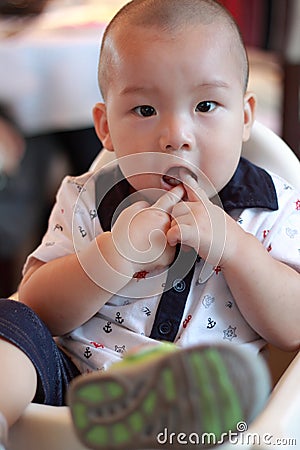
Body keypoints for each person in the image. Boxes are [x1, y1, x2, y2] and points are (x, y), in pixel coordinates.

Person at [0, 0, 300, 448]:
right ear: (105, 127)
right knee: (11, 325)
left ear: (244, 117)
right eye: (144, 110)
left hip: (204, 401)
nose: (176, 134)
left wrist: (236, 250)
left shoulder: (272, 207)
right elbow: (38, 304)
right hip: (76, 388)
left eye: (205, 104)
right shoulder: (86, 198)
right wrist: (112, 256)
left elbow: (294, 327)